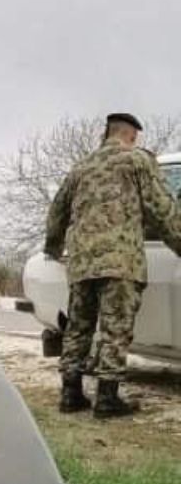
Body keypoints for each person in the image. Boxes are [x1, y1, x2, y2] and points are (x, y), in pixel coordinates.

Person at [44, 112, 181, 418]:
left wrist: (52, 248)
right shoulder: (137, 160)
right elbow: (161, 209)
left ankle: (70, 394)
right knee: (114, 330)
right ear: (131, 135)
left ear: (107, 134)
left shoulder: (81, 167)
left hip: (82, 264)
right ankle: (107, 399)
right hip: (120, 262)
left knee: (78, 328)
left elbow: (56, 214)